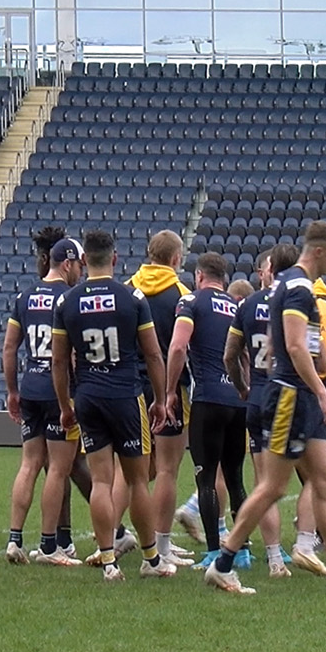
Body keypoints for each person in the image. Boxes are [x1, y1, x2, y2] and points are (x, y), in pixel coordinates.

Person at [205, 223, 326, 594]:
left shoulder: (286, 284)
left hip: (295, 394)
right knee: (272, 487)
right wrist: (322, 393)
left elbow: (285, 343)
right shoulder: (299, 289)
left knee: (322, 484)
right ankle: (223, 563)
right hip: (291, 397)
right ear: (318, 252)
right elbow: (297, 346)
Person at [52, 229, 173, 581]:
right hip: (125, 395)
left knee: (101, 481)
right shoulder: (132, 298)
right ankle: (151, 560)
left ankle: (108, 562)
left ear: (84, 260)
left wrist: (65, 405)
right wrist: (162, 399)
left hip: (88, 396)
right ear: (115, 259)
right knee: (137, 481)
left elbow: (60, 362)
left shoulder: (68, 302)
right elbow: (153, 353)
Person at [2, 229, 92, 566]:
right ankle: (50, 545)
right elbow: (69, 356)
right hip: (58, 392)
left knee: (29, 463)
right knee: (59, 468)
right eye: (78, 267)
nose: (80, 273)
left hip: (30, 387)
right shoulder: (68, 299)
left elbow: (10, 347)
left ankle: (14, 539)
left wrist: (12, 390)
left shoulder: (25, 297)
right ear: (67, 263)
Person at [161, 253, 253, 572]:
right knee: (236, 479)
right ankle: (242, 551)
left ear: (199, 275)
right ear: (224, 278)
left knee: (206, 479)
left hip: (208, 398)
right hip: (236, 400)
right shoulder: (236, 306)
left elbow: (177, 347)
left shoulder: (191, 303)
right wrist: (244, 390)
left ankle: (216, 552)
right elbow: (244, 356)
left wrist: (170, 391)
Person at [222, 245, 295, 569]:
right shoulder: (299, 302)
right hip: (293, 396)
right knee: (319, 480)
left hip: (260, 396)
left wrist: (242, 388)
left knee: (265, 482)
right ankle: (311, 545)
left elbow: (230, 355)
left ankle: (275, 558)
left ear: (270, 270)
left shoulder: (249, 304)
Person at [129, 229, 194, 568]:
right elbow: (182, 347)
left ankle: (112, 537)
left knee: (129, 471)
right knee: (167, 469)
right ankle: (162, 546)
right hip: (168, 389)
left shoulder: (128, 288)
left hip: (128, 388)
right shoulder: (182, 295)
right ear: (175, 259)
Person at [285, 248, 326, 578]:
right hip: (302, 398)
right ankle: (306, 543)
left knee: (309, 479)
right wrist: (325, 395)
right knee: (286, 483)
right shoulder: (315, 304)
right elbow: (321, 361)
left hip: (272, 396)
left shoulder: (278, 296)